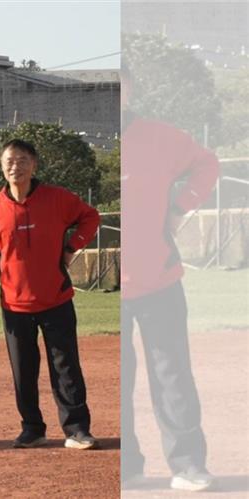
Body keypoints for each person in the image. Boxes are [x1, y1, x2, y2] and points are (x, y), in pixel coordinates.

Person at [120, 64, 218, 492]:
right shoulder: (86, 145)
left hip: (159, 276)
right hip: (110, 290)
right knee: (117, 379)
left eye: (119, 85)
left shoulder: (159, 136)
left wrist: (179, 209)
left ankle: (188, 465)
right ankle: (128, 465)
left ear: (131, 87)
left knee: (172, 373)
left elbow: (206, 164)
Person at [0, 138, 101, 450]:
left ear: (34, 165)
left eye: (21, 160)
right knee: (23, 371)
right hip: (14, 304)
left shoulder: (57, 198)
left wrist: (72, 247)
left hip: (56, 297)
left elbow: (91, 217)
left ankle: (77, 430)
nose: (14, 166)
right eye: (8, 161)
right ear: (1, 167)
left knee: (66, 367)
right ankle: (32, 428)